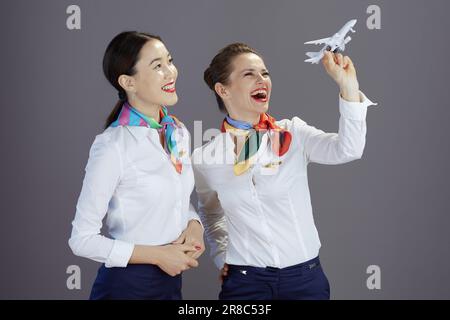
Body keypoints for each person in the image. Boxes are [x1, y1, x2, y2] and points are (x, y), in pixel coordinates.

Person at [192, 43, 377, 300]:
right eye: (249, 74)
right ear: (222, 89)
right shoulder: (204, 158)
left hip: (305, 281)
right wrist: (221, 255)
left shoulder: (294, 133)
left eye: (265, 73)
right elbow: (211, 214)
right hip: (245, 284)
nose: (262, 80)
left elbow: (349, 149)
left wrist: (348, 86)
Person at [68, 31, 204, 300]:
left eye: (169, 61)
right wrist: (158, 256)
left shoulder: (177, 132)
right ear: (128, 82)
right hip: (127, 285)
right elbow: (81, 240)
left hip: (170, 282)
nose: (170, 72)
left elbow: (175, 198)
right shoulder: (113, 145)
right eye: (157, 66)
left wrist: (194, 224)